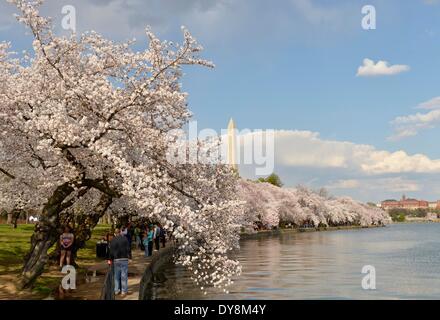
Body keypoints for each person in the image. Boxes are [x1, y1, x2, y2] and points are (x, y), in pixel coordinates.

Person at [109, 228, 130, 296]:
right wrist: (130, 257)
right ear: (120, 232)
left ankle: (116, 290)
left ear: (115, 233)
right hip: (124, 258)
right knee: (124, 276)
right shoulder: (125, 239)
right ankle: (124, 291)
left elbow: (111, 251)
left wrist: (110, 259)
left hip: (116, 259)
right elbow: (128, 248)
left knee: (116, 276)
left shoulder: (113, 240)